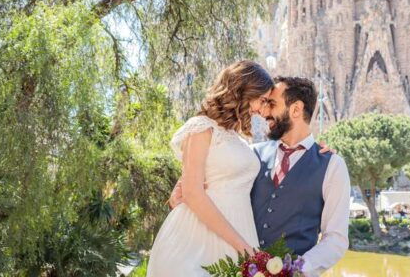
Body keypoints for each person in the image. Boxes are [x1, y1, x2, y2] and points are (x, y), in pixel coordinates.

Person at [169, 76, 351, 276]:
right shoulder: (250, 156)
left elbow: (335, 239)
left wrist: (296, 270)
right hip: (235, 269)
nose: (264, 112)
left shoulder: (332, 166)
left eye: (271, 104)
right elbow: (205, 188)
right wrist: (182, 192)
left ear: (296, 109)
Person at [146, 61, 274, 276]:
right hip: (198, 239)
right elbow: (193, 192)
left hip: (239, 234)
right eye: (261, 100)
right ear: (244, 91)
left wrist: (318, 151)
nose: (261, 110)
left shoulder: (237, 138)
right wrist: (246, 250)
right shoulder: (201, 127)